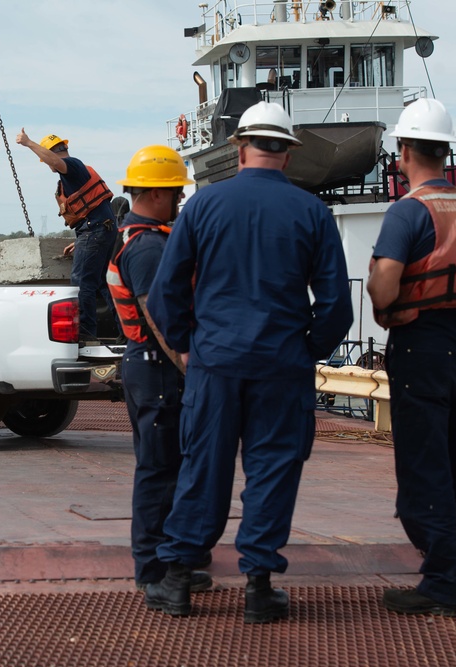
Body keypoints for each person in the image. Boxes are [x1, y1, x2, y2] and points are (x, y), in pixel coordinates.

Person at [143, 102, 353, 622]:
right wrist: (307, 349)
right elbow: (336, 307)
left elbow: (167, 291)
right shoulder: (312, 212)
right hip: (282, 367)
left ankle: (176, 582)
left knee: (202, 468)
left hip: (215, 364)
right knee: (273, 470)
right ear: (288, 154)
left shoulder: (203, 206)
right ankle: (258, 588)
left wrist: (188, 344)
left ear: (239, 148)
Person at [367, 98, 456, 617]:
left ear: (405, 150)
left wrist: (385, 305)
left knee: (424, 467)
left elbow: (384, 288)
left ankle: (439, 582)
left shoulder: (408, 211)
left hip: (420, 347)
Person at [106, 145, 212, 593]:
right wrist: (189, 366)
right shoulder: (148, 247)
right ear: (156, 195)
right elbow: (159, 316)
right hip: (158, 369)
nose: (179, 201)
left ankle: (171, 563)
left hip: (151, 368)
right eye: (174, 193)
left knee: (170, 467)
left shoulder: (148, 239)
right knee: (158, 471)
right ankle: (152, 571)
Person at [16, 129, 117, 341]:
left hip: (95, 231)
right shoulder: (73, 174)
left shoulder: (72, 166)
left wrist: (28, 143)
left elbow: (56, 161)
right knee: (102, 283)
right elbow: (95, 211)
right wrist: (81, 240)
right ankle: (125, 330)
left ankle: (86, 334)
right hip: (98, 230)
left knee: (82, 283)